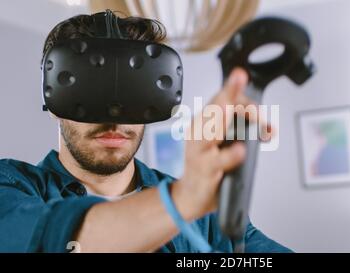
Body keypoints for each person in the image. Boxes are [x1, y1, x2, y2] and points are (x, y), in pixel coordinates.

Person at [0, 12, 292, 253]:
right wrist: (182, 201)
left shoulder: (206, 217)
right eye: (91, 94)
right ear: (53, 102)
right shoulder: (12, 188)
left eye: (133, 94)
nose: (114, 116)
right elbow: (43, 238)